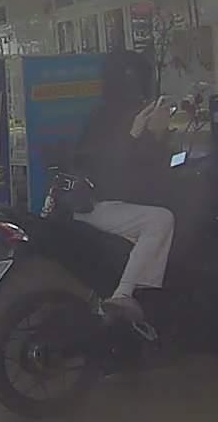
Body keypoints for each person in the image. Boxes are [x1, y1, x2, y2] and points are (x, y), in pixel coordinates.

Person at [72, 49, 176, 322]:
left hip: (107, 203)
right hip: (95, 203)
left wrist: (158, 134)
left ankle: (136, 300)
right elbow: (112, 169)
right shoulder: (112, 117)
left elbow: (145, 167)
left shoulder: (108, 112)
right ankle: (123, 296)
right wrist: (138, 132)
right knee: (160, 220)